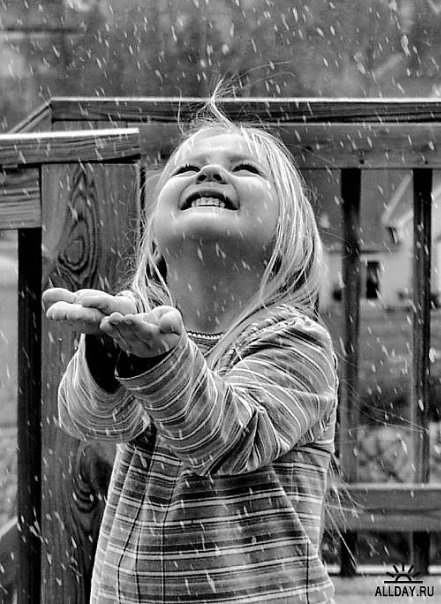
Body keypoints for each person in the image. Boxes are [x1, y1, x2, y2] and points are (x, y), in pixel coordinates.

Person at [43, 100, 338, 604]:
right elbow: (89, 420)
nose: (210, 171)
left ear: (286, 236)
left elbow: (229, 439)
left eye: (245, 169)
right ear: (156, 239)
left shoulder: (297, 342)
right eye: (185, 168)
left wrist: (158, 364)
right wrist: (105, 359)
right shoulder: (140, 322)